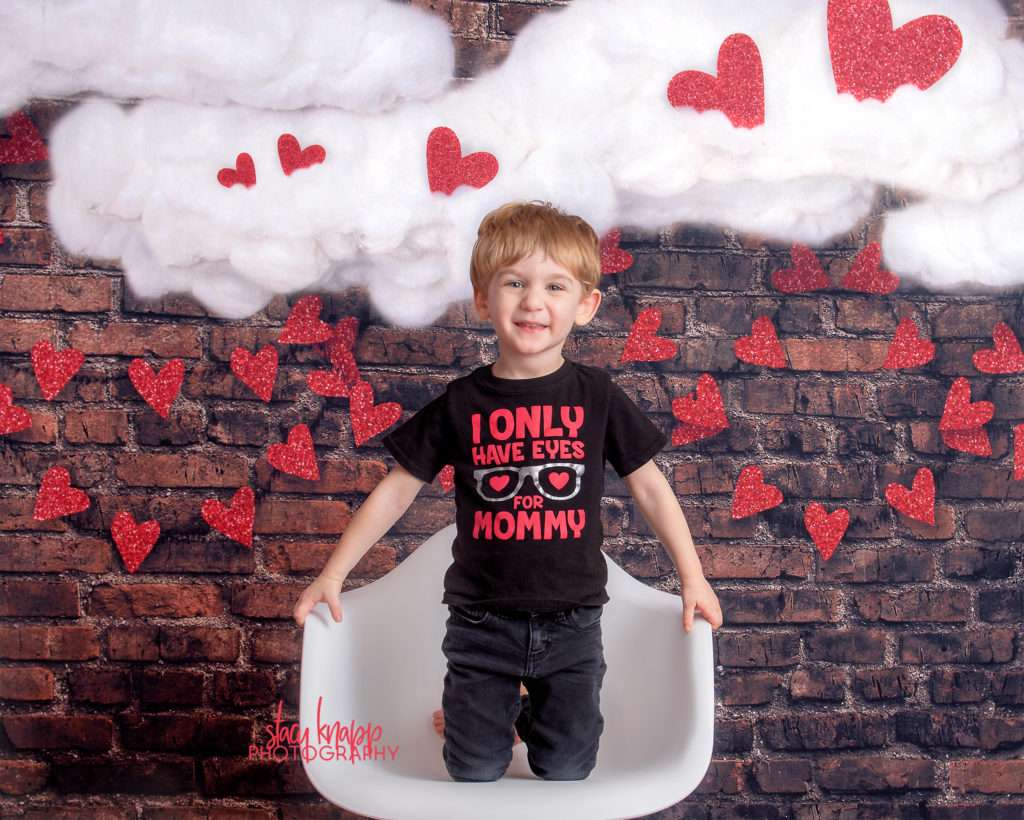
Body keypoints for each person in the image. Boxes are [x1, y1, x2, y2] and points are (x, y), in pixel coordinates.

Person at [293, 200, 723, 783]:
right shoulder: (462, 403)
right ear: (482, 298)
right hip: (480, 623)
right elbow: (396, 492)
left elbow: (649, 488)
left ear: (586, 305)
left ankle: (522, 715)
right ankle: (482, 715)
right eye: (514, 283)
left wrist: (692, 577)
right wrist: (333, 574)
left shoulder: (596, 396)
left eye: (554, 286)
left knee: (566, 766)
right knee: (473, 769)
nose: (533, 302)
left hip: (573, 622)